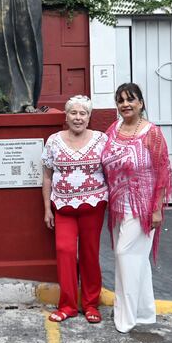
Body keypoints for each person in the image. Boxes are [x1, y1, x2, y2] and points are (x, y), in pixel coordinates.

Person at [101, 83, 172, 334]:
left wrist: (157, 210)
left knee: (125, 255)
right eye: (120, 100)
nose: (125, 104)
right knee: (136, 261)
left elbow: (163, 171)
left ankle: (126, 316)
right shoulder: (114, 128)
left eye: (130, 100)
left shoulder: (151, 133)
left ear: (141, 103)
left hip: (143, 207)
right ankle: (143, 312)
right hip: (120, 205)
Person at [42, 95, 108, 324]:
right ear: (66, 116)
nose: (78, 118)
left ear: (89, 117)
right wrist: (47, 210)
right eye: (74, 113)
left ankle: (91, 304)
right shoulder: (53, 141)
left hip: (94, 205)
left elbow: (112, 171)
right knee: (65, 252)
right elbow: (47, 176)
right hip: (62, 207)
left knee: (90, 254)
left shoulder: (101, 139)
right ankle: (68, 305)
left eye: (83, 113)